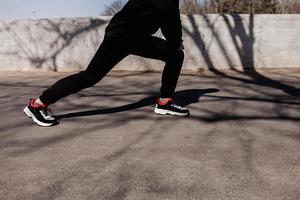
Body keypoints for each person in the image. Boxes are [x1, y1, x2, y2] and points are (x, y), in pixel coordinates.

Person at [24, 0, 190, 127]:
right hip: (123, 35)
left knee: (175, 55)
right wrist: (176, 41)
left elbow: (167, 16)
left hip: (133, 36)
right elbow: (169, 17)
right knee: (90, 77)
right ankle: (37, 105)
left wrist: (175, 42)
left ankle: (164, 102)